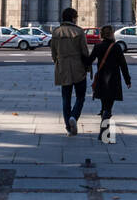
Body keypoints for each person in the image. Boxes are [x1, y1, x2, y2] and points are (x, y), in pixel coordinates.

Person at [50, 7, 92, 135]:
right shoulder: (79, 32)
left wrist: (58, 62)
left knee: (66, 98)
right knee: (80, 96)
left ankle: (68, 127)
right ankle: (74, 116)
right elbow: (85, 52)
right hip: (78, 67)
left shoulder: (56, 32)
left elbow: (53, 53)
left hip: (63, 68)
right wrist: (88, 67)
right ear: (73, 18)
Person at [90, 24, 132, 142]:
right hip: (113, 80)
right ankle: (105, 135)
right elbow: (123, 65)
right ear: (112, 34)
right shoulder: (116, 47)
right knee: (108, 107)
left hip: (102, 80)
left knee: (104, 105)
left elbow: (89, 60)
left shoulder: (98, 46)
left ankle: (103, 132)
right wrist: (127, 80)